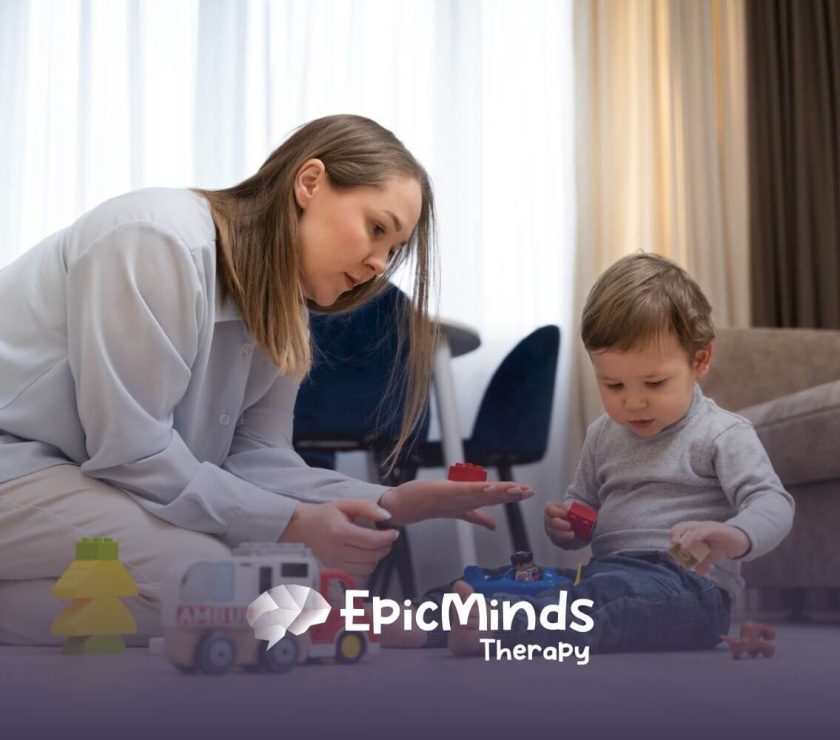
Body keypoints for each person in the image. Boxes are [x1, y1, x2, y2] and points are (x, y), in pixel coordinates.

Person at [0, 114, 532, 645]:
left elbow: (255, 456)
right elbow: (132, 452)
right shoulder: (157, 241)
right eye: (376, 228)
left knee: (231, 575)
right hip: (19, 464)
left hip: (75, 474)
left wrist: (388, 501)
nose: (378, 263)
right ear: (310, 182)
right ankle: (353, 627)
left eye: (392, 250)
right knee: (210, 574)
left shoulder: (286, 310)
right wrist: (290, 522)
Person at [384, 252, 794, 655]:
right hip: (603, 573)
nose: (633, 403)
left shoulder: (723, 433)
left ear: (699, 359)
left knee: (594, 606)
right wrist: (568, 525)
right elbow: (584, 508)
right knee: (519, 579)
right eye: (614, 386)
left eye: (653, 383)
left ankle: (493, 627)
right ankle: (421, 619)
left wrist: (736, 535)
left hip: (690, 588)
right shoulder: (603, 434)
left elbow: (773, 502)